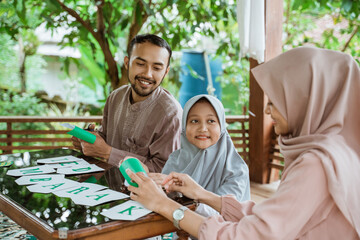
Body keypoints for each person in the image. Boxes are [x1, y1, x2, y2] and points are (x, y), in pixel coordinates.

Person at [125, 47, 360, 239]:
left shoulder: (316, 164)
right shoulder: (337, 154)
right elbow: (267, 218)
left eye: (277, 101)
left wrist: (163, 205)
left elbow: (247, 236)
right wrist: (201, 193)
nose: (268, 110)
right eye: (194, 121)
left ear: (306, 100)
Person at [72, 34, 182, 172]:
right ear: (126, 63)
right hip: (108, 189)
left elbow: (164, 171)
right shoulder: (115, 98)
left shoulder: (171, 114)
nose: (148, 74)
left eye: (157, 68)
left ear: (166, 72)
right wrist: (89, 140)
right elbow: (106, 138)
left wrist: (107, 152)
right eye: (141, 64)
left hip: (143, 193)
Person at [149, 94, 250, 218]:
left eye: (211, 121)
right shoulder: (175, 159)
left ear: (222, 126)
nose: (203, 128)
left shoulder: (236, 170)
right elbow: (161, 201)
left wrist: (191, 194)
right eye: (194, 121)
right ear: (185, 126)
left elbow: (223, 214)